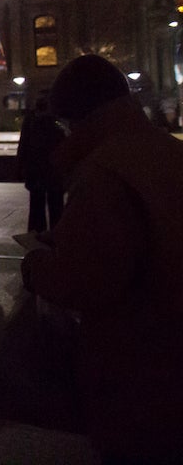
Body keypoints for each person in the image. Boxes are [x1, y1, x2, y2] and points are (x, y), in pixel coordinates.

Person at [21, 54, 183, 463]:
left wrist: (37, 266)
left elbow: (84, 281)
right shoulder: (168, 152)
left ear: (76, 118)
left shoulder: (105, 172)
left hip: (141, 373)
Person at [16, 97, 67, 233]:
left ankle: (36, 234)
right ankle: (56, 234)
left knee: (37, 207)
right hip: (52, 170)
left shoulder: (31, 121)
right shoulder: (58, 121)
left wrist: (21, 166)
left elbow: (23, 145)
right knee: (56, 206)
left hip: (36, 169)